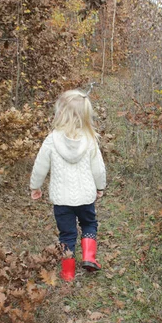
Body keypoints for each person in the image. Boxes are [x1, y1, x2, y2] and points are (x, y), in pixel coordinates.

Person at [30, 89, 106, 281]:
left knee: (67, 234)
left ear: (60, 113)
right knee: (89, 223)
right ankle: (89, 257)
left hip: (61, 200)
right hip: (85, 197)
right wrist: (100, 187)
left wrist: (35, 186)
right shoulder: (89, 140)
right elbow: (98, 168)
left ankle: (67, 273)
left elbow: (40, 166)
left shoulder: (52, 140)